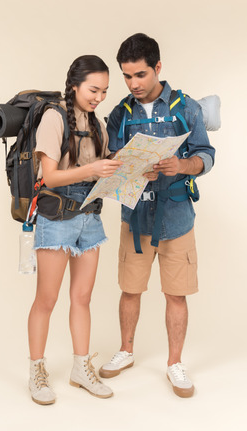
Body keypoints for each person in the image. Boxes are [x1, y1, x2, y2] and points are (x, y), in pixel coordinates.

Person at [99, 34, 215, 398]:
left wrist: (182, 164)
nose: (133, 84)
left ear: (158, 68)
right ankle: (126, 351)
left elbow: (206, 155)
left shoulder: (187, 107)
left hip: (178, 217)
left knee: (176, 294)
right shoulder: (120, 112)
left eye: (141, 75)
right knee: (129, 289)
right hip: (134, 217)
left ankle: (174, 364)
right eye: (127, 76)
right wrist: (128, 169)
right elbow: (110, 162)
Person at [28, 55, 122, 405]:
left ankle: (81, 369)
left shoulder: (99, 124)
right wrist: (93, 169)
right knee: (46, 300)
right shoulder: (53, 117)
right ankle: (37, 371)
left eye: (105, 91)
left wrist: (133, 169)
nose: (99, 97)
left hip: (90, 217)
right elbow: (50, 176)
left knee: (82, 298)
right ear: (74, 85)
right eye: (93, 90)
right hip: (56, 216)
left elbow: (104, 173)